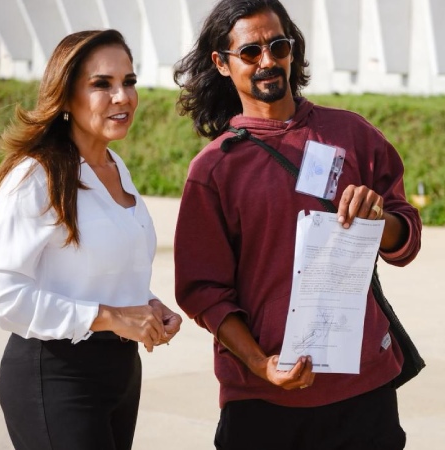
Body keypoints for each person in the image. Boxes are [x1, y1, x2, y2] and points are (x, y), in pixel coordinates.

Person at [172, 1, 422, 449]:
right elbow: (204, 292)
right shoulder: (213, 170)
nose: (268, 61)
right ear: (222, 63)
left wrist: (379, 219)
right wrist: (261, 365)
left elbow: (406, 237)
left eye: (278, 46)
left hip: (364, 392)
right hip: (261, 402)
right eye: (250, 52)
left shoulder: (352, 134)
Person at [0, 29, 182, 450]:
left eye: (129, 81)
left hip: (121, 372)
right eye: (102, 84)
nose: (122, 97)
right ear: (66, 96)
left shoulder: (116, 166)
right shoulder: (36, 176)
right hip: (56, 375)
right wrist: (109, 316)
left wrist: (146, 304)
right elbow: (2, 295)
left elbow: (99, 268)